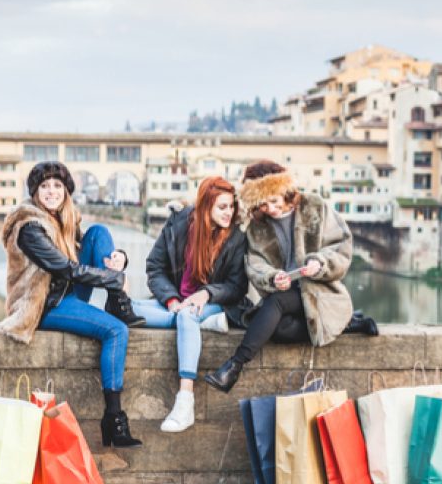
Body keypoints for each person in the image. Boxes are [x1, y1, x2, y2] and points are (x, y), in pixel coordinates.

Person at [0, 161, 144, 448]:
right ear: (35, 192)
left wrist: (120, 260)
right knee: (116, 331)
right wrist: (113, 279)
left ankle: (118, 302)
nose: (52, 191)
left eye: (57, 186)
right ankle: (113, 418)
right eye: (44, 186)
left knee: (99, 233)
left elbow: (86, 252)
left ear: (66, 190)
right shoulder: (29, 227)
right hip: (44, 305)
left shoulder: (64, 220)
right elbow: (66, 269)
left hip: (67, 294)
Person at [204, 161, 354, 393]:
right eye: (263, 205)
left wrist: (319, 263)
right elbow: (255, 264)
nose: (270, 209)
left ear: (286, 192)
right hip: (287, 294)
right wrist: (273, 278)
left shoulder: (314, 206)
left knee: (277, 302)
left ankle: (234, 366)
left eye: (274, 201)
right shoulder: (257, 227)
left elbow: (341, 245)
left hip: (319, 292)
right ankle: (347, 324)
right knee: (278, 330)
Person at [131, 176, 250, 432]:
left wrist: (206, 294)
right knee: (125, 308)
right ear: (206, 207)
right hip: (177, 301)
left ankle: (185, 402)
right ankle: (206, 323)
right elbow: (155, 267)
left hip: (218, 302)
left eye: (231, 206)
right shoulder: (178, 224)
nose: (229, 213)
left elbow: (237, 286)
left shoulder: (236, 238)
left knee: (188, 317)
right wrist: (172, 300)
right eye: (222, 207)